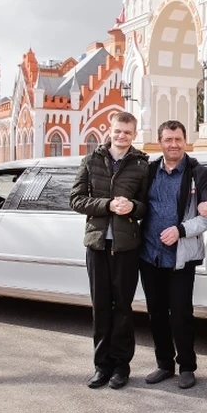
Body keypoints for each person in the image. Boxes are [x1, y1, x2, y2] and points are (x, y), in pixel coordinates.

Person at [70, 111, 150, 390]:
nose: (121, 136)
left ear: (134, 134)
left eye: (127, 132)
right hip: (97, 244)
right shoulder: (91, 161)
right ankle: (101, 366)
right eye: (118, 131)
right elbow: (76, 199)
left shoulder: (141, 165)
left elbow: (146, 206)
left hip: (126, 246)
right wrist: (107, 205)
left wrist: (132, 208)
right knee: (101, 307)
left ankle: (121, 366)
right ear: (110, 130)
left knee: (123, 308)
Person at [140, 120, 207, 390]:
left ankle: (187, 366)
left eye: (178, 139)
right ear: (160, 141)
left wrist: (181, 230)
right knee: (156, 313)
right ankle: (164, 364)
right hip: (150, 254)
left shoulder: (199, 173)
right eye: (168, 139)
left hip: (180, 256)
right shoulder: (149, 171)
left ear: (186, 141)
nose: (173, 144)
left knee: (181, 313)